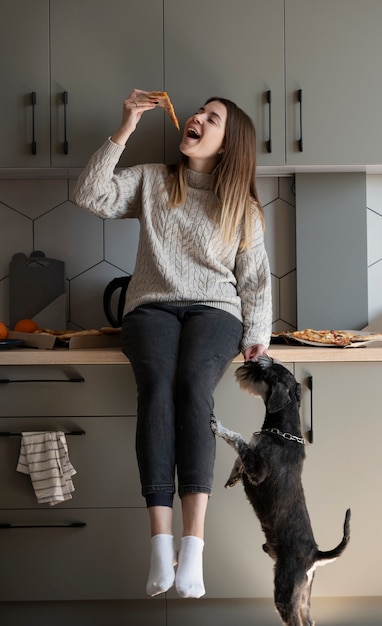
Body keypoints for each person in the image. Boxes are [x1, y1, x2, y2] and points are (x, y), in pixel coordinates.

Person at [74, 89, 272, 599]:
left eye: (213, 118)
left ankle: (194, 547)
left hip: (216, 312)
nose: (197, 120)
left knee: (191, 385)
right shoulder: (153, 181)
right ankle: (161, 545)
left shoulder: (243, 208)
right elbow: (88, 195)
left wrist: (256, 338)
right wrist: (125, 126)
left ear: (229, 144)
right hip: (151, 308)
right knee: (158, 387)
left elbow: (254, 281)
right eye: (198, 114)